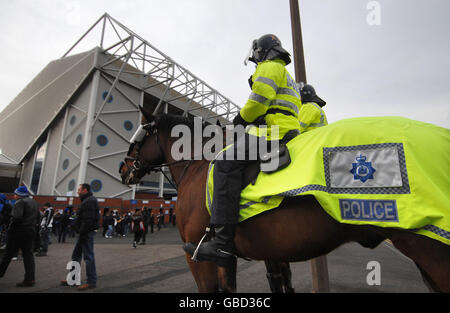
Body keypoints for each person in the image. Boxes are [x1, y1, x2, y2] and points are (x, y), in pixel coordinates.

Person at [184, 34, 302, 267]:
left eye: (256, 53)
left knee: (225, 162)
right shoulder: (288, 77)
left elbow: (258, 101)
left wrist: (239, 121)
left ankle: (222, 243)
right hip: (286, 131)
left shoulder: (268, 67)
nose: (256, 57)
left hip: (272, 133)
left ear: (262, 51)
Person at [61, 183, 99, 291]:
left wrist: (81, 232)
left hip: (86, 233)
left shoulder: (89, 201)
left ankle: (91, 281)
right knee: (76, 255)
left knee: (88, 257)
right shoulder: (87, 200)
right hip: (84, 233)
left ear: (85, 190)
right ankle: (73, 279)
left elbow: (88, 220)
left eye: (79, 189)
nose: (77, 191)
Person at [0, 186, 40, 287]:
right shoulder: (34, 202)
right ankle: (30, 279)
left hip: (19, 231)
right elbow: (38, 218)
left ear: (19, 194)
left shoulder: (20, 202)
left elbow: (16, 218)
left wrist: (10, 228)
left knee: (7, 255)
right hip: (30, 231)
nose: (14, 196)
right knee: (28, 256)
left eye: (15, 194)